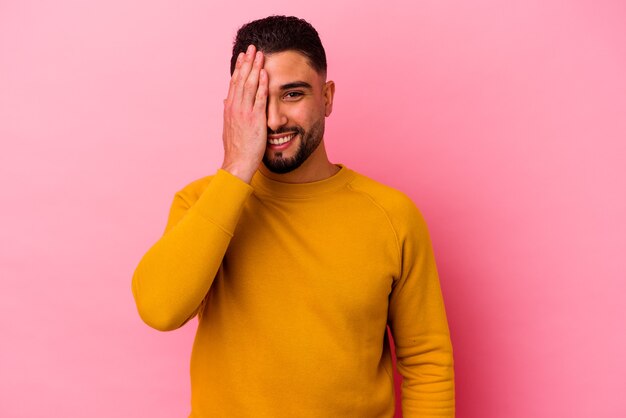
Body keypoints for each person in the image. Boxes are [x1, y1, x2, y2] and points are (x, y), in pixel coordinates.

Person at [132, 15, 454, 418]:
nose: (274, 120)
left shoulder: (393, 216)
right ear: (235, 109)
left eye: (292, 94)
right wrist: (235, 170)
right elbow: (160, 309)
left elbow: (427, 361)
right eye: (257, 99)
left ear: (328, 97)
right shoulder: (202, 203)